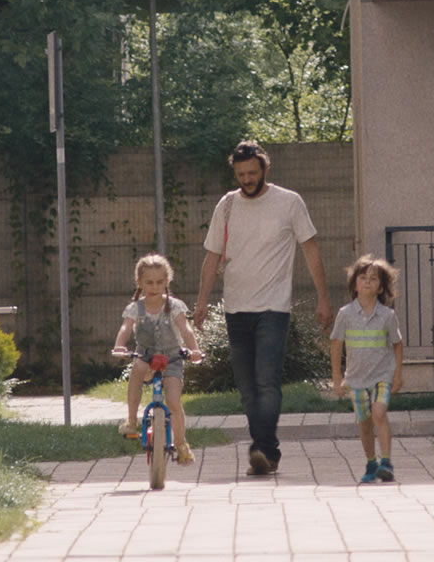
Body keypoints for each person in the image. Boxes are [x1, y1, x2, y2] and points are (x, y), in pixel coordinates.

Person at [193, 140, 332, 476]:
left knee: (266, 381)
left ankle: (262, 449)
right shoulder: (226, 205)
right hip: (235, 308)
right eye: (241, 174)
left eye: (252, 173)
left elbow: (310, 249)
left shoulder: (289, 202)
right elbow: (212, 256)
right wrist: (201, 301)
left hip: (273, 307)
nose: (247, 179)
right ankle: (265, 451)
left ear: (265, 169)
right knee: (247, 388)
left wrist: (323, 296)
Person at [112, 252, 203, 466]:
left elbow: (186, 329)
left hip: (171, 358)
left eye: (160, 282)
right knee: (137, 369)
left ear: (167, 281)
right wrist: (119, 345)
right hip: (146, 355)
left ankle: (181, 445)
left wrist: (194, 350)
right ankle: (132, 420)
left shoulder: (175, 306)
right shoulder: (136, 308)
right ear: (140, 283)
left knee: (173, 400)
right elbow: (125, 328)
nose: (155, 286)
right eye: (149, 282)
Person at [330, 254, 403, 483]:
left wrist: (398, 374)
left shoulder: (387, 316)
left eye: (373, 279)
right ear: (354, 284)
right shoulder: (345, 315)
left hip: (382, 374)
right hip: (356, 378)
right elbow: (336, 345)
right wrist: (336, 377)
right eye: (362, 278)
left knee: (379, 412)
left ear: (381, 287)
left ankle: (387, 462)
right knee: (364, 422)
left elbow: (397, 344)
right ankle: (371, 462)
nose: (367, 282)